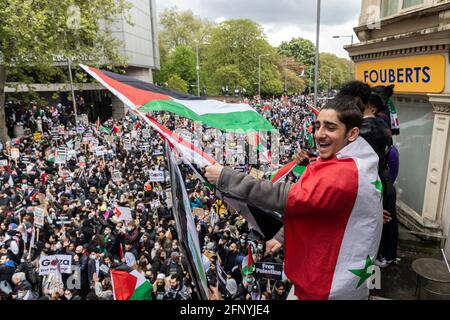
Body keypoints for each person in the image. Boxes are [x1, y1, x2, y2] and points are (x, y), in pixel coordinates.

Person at [205, 95, 383, 300]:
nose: (319, 134)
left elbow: (286, 197)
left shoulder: (345, 174)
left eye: (330, 128)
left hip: (330, 288)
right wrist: (282, 237)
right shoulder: (357, 161)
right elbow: (314, 209)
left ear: (352, 134)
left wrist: (226, 177)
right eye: (318, 126)